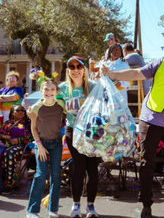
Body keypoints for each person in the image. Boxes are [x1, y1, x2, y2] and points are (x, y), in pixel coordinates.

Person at [103, 36, 164, 218]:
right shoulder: (162, 63)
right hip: (150, 120)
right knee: (147, 164)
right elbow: (137, 74)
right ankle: (146, 205)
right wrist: (112, 74)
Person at [56, 56, 99, 218]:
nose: (75, 70)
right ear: (68, 70)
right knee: (78, 168)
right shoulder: (62, 88)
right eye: (71, 67)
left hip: (92, 133)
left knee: (93, 170)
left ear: (84, 69)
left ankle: (91, 206)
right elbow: (48, 99)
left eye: (78, 66)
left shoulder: (94, 87)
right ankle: (75, 205)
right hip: (73, 132)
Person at [26, 80, 65, 218]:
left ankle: (52, 209)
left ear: (57, 92)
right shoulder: (36, 107)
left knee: (56, 176)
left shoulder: (61, 104)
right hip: (41, 144)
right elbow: (33, 128)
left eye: (52, 89)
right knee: (40, 175)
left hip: (57, 145)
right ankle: (32, 210)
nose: (49, 92)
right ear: (41, 91)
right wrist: (39, 146)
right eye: (46, 89)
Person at [1, 105, 32, 192]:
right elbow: (1, 133)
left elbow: (31, 137)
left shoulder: (27, 124)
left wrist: (18, 140)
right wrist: (6, 137)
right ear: (12, 113)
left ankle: (10, 182)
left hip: (23, 147)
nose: (21, 112)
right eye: (17, 110)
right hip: (7, 145)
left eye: (22, 110)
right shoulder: (7, 123)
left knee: (9, 152)